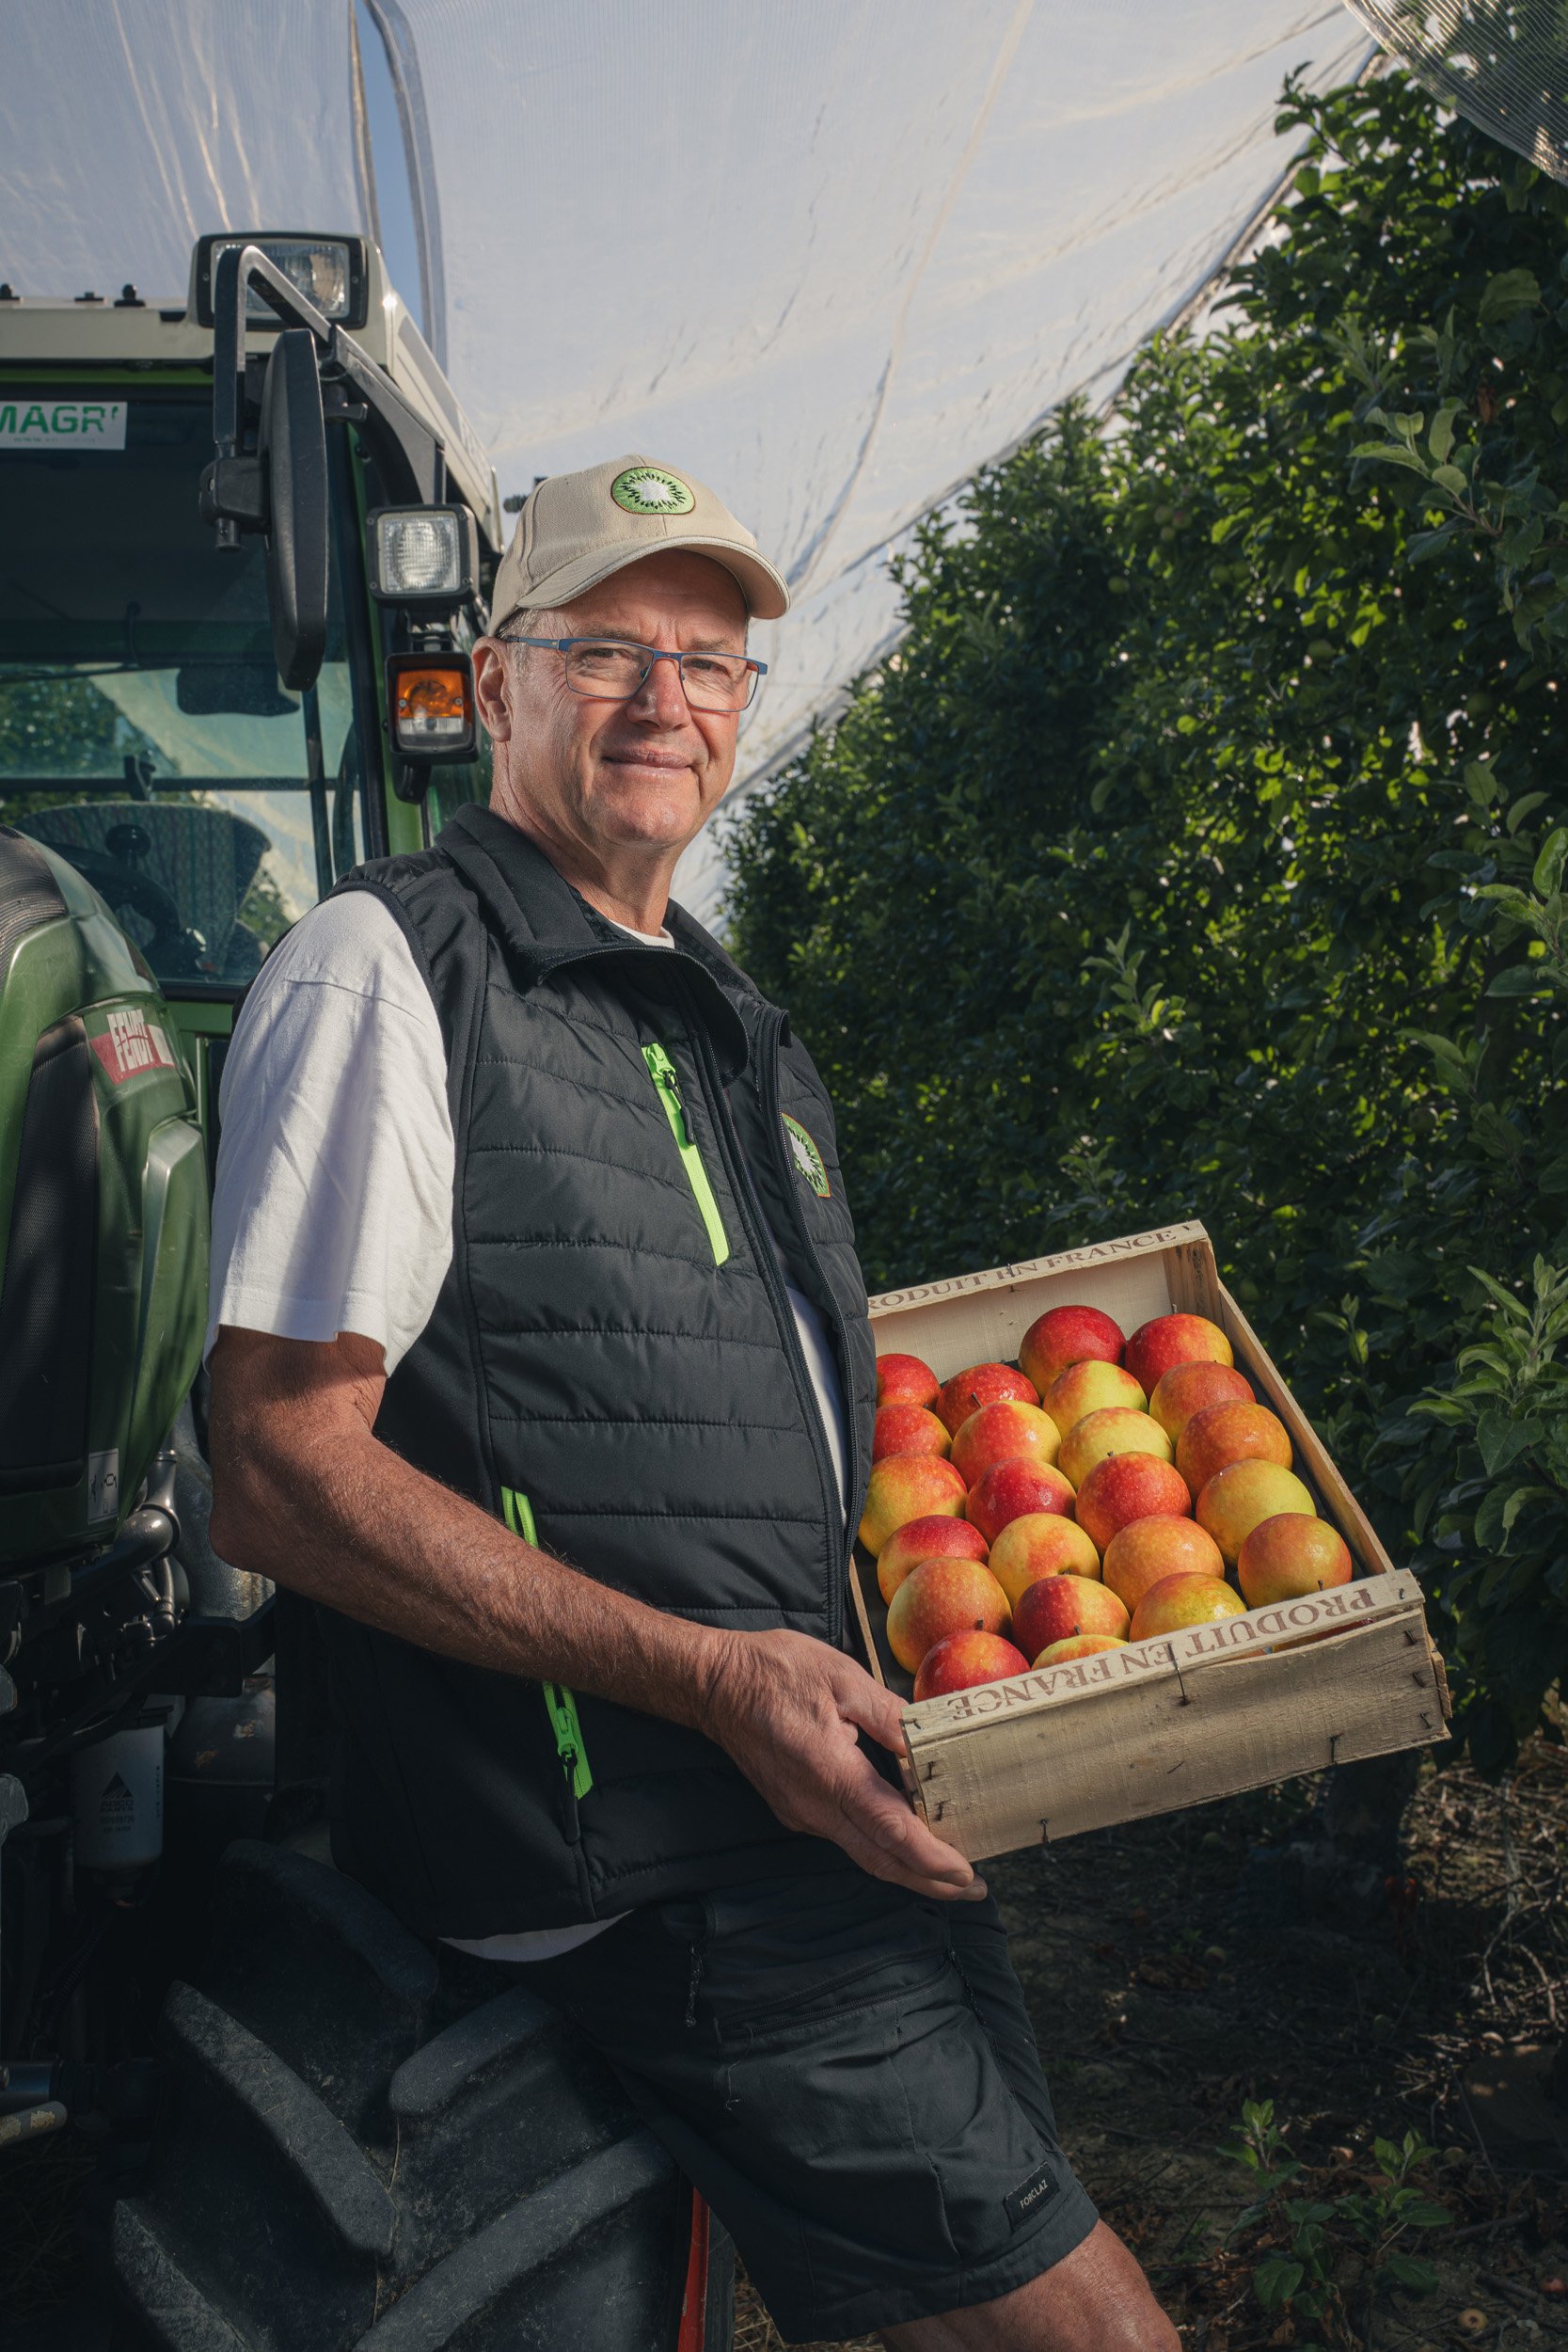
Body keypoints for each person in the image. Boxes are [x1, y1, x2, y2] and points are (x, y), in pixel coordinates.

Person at [206, 453, 1179, 2352]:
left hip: (815, 1808)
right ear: (494, 684)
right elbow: (278, 1467)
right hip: (647, 1848)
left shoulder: (736, 1023)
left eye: (712, 661)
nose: (666, 701)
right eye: (605, 649)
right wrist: (721, 1680)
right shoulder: (394, 967)